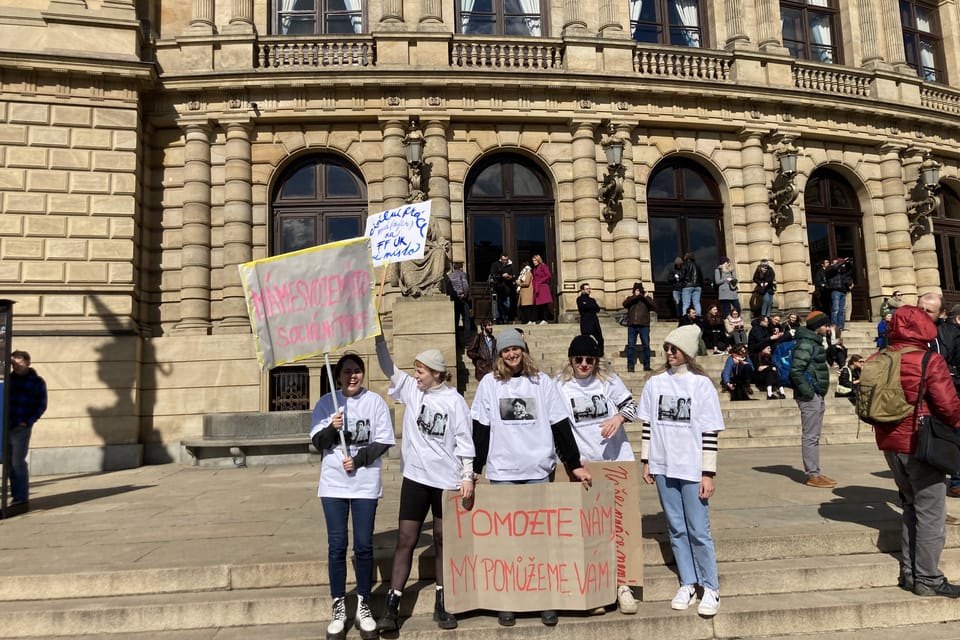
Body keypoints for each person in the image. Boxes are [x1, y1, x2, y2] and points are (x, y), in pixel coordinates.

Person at [471, 329, 591, 627]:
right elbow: (481, 429)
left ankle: (544, 599)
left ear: (523, 350)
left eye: (515, 349)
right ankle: (508, 600)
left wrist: (573, 463)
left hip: (538, 470)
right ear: (499, 355)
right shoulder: (489, 385)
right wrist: (474, 468)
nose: (511, 355)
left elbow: (560, 423)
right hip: (503, 472)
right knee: (508, 542)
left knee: (541, 541)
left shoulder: (542, 382)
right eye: (505, 351)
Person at [374, 337, 475, 632]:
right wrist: (379, 340)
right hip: (416, 479)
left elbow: (464, 440)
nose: (415, 376)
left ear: (436, 373)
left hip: (446, 481)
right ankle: (392, 605)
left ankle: (443, 603)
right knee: (406, 540)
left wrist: (467, 476)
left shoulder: (454, 401)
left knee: (443, 540)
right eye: (415, 371)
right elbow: (387, 367)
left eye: (420, 371)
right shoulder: (412, 392)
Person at [639, 324, 724, 617]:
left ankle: (710, 586)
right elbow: (648, 424)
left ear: (687, 351)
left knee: (699, 529)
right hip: (663, 465)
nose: (669, 353)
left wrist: (708, 473)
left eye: (674, 348)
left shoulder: (701, 385)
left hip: (692, 465)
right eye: (666, 348)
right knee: (676, 528)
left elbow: (710, 430)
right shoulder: (655, 382)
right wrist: (646, 460)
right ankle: (687, 581)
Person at [876, 305, 960, 598]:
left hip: (890, 443)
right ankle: (928, 577)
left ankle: (910, 573)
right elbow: (949, 407)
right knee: (932, 514)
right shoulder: (929, 360)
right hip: (922, 443)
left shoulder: (880, 358)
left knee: (912, 506)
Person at [310, 354, 395, 640]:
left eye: (357, 371)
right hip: (333, 485)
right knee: (337, 546)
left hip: (364, 485)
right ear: (338, 376)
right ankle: (338, 607)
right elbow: (317, 443)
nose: (353, 376)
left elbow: (384, 440)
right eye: (347, 372)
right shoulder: (326, 403)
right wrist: (332, 429)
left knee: (363, 545)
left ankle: (363, 605)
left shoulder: (375, 402)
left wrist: (359, 460)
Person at [556, 334, 639, 614]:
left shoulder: (608, 381)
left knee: (619, 528)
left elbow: (632, 406)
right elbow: (555, 425)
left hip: (616, 461)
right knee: (587, 530)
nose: (583, 364)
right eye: (578, 359)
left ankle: (622, 586)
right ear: (570, 360)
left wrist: (618, 418)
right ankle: (594, 589)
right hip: (584, 466)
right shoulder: (560, 387)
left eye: (589, 359)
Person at [789, 311, 835, 488]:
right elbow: (796, 370)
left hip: (816, 392)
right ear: (818, 326)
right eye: (825, 325)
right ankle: (812, 475)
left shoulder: (813, 341)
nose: (827, 328)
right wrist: (809, 393)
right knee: (810, 436)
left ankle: (815, 472)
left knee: (814, 436)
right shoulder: (806, 343)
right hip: (810, 394)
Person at [7, 350, 47, 510]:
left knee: (17, 462)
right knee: (9, 463)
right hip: (6, 425)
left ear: (28, 362)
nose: (16, 365)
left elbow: (41, 404)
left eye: (19, 361)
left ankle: (21, 498)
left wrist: (28, 421)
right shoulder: (8, 380)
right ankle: (16, 496)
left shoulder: (37, 382)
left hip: (20, 427)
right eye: (13, 362)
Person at [622, 282, 654, 372]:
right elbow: (625, 304)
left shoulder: (646, 299)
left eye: (639, 290)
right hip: (632, 325)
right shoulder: (631, 298)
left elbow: (654, 306)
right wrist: (635, 297)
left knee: (646, 346)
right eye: (636, 290)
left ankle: (647, 365)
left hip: (644, 325)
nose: (638, 292)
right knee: (631, 346)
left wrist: (645, 297)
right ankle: (630, 366)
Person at [826, 257, 855, 332]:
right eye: (837, 263)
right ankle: (834, 326)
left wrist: (849, 263)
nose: (841, 265)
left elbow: (851, 270)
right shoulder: (830, 270)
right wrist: (842, 261)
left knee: (842, 310)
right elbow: (834, 267)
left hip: (843, 291)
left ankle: (841, 327)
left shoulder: (843, 272)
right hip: (835, 290)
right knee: (835, 309)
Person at [447, 262, 473, 338]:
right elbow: (465, 285)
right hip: (462, 299)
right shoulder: (462, 274)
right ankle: (467, 338)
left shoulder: (450, 276)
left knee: (456, 319)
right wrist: (465, 295)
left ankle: (457, 338)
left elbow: (448, 289)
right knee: (466, 318)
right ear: (461, 268)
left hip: (454, 299)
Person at [577, 282, 604, 356]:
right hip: (586, 322)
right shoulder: (579, 299)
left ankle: (600, 355)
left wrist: (588, 305)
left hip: (594, 322)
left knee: (600, 339)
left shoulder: (592, 300)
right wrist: (591, 306)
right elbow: (582, 307)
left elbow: (597, 309)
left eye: (589, 288)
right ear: (582, 290)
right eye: (587, 289)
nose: (589, 290)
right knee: (586, 341)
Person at [488, 254, 516, 324]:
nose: (505, 261)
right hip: (497, 288)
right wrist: (502, 275)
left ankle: (505, 319)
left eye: (506, 260)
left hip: (506, 289)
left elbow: (512, 276)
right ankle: (497, 320)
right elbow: (493, 275)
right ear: (501, 259)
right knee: (496, 304)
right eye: (503, 260)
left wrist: (510, 277)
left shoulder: (509, 266)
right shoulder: (495, 264)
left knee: (507, 304)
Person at [531, 254, 554, 324]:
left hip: (543, 287)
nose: (534, 262)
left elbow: (548, 275)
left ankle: (545, 320)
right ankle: (535, 320)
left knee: (544, 304)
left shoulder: (543, 266)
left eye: (535, 260)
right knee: (536, 304)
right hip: (537, 287)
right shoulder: (535, 269)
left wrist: (540, 281)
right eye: (533, 260)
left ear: (538, 260)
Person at [680, 252, 703, 317]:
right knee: (697, 303)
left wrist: (678, 278)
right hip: (698, 286)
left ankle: (685, 318)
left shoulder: (684, 265)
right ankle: (698, 317)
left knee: (686, 304)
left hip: (687, 286)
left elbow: (682, 276)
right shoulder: (698, 265)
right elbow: (701, 277)